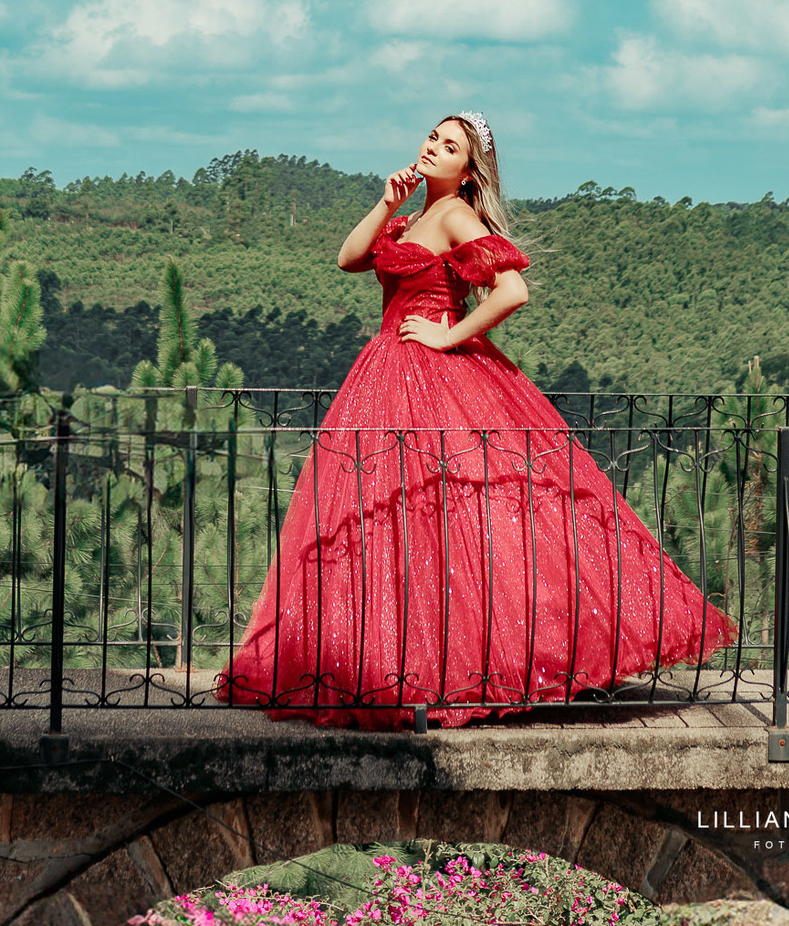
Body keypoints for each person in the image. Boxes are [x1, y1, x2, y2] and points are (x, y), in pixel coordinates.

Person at [218, 113, 735, 728]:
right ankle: (397, 666)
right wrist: (387, 205)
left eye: (450, 146)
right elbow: (349, 258)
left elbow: (512, 290)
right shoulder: (413, 217)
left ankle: (476, 664)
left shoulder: (461, 217)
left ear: (470, 169)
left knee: (461, 517)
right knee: (397, 519)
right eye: (433, 138)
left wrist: (447, 336)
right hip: (387, 371)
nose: (434, 148)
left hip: (434, 371)